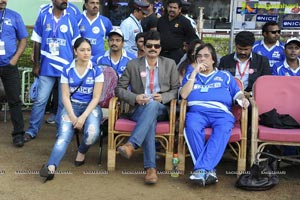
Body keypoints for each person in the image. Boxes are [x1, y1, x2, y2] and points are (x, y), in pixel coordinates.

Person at [180, 43, 249, 186]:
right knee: (191, 127)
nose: (202, 59)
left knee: (223, 129)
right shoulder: (191, 76)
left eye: (206, 56)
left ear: (213, 59)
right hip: (197, 112)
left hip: (221, 113)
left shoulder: (225, 76)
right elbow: (184, 94)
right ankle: (208, 170)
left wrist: (243, 99)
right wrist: (194, 73)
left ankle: (200, 170)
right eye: (199, 56)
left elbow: (238, 94)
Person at [115, 30, 179, 184]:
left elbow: (176, 90)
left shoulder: (169, 64)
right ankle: (150, 169)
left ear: (160, 48)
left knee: (153, 106)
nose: (153, 48)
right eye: (149, 45)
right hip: (138, 109)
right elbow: (119, 89)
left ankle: (132, 144)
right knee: (149, 120)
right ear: (143, 47)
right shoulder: (133, 65)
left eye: (156, 46)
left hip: (161, 109)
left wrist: (163, 97)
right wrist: (135, 97)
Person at [39, 37, 104, 181]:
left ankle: (81, 151)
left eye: (88, 50)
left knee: (92, 133)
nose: (86, 53)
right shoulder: (67, 69)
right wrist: (74, 117)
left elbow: (96, 98)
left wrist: (82, 117)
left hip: (90, 107)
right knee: (63, 136)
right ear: (75, 51)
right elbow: (65, 96)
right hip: (71, 105)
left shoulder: (96, 70)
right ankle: (51, 166)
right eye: (82, 50)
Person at [25, 0, 80, 142]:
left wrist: (75, 67)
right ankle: (32, 130)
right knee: (40, 101)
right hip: (46, 67)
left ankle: (61, 132)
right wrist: (36, 64)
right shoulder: (43, 16)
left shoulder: (71, 18)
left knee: (64, 102)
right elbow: (37, 41)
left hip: (65, 69)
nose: (65, 1)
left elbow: (77, 45)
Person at [0, 0, 28, 147]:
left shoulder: (14, 16)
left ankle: (18, 134)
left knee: (14, 100)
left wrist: (15, 59)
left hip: (9, 65)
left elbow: (23, 39)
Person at [219, 31, 271, 97]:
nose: (243, 52)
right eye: (240, 49)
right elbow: (221, 81)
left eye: (246, 49)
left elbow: (266, 83)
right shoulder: (225, 60)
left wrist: (250, 94)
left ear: (252, 46)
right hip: (230, 96)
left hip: (253, 98)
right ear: (235, 45)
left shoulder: (262, 61)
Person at [157, 0, 198, 64]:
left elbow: (193, 38)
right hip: (161, 54)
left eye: (175, 8)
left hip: (177, 55)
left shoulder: (184, 22)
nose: (172, 9)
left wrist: (186, 49)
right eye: (170, 7)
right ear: (167, 7)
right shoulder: (161, 20)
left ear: (179, 9)